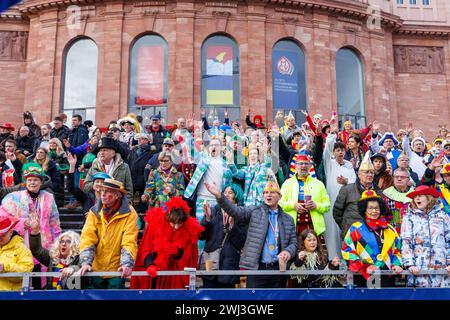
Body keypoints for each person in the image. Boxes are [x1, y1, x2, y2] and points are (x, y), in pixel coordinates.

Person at [204, 180, 297, 289]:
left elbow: (294, 243)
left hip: (278, 269)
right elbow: (235, 211)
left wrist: (288, 251)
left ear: (279, 196)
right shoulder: (254, 211)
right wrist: (219, 196)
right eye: (266, 192)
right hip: (257, 269)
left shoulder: (288, 219)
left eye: (272, 192)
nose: (268, 195)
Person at [130, 196, 203, 289]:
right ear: (168, 217)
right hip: (154, 275)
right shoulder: (155, 224)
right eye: (173, 223)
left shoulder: (189, 230)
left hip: (174, 277)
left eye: (180, 223)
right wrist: (150, 264)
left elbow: (189, 258)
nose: (176, 227)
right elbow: (145, 248)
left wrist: (177, 253)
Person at [79, 178, 138, 289]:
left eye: (107, 191)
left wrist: (126, 264)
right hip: (95, 268)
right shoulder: (94, 212)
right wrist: (86, 262)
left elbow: (129, 241)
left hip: (117, 270)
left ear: (118, 195)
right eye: (102, 191)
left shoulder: (130, 213)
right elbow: (87, 238)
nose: (103, 194)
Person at [342, 190, 403, 287]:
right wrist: (362, 266)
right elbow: (347, 250)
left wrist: (396, 264)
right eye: (370, 208)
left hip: (387, 276)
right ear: (364, 210)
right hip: (364, 276)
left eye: (376, 208)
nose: (374, 211)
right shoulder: (355, 228)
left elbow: (397, 250)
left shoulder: (390, 229)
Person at [401, 185, 450, 287]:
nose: (417, 198)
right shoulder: (409, 217)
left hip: (442, 273)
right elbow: (406, 243)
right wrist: (410, 264)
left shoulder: (443, 216)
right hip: (418, 273)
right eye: (415, 196)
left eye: (420, 195)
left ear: (429, 197)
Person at [199, 183, 247, 288]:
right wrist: (207, 219)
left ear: (237, 195)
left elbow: (241, 243)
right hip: (210, 263)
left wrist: (232, 227)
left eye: (230, 192)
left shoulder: (241, 214)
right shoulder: (213, 210)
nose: (227, 195)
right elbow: (201, 236)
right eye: (224, 193)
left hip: (228, 266)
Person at [322, 129, 357, 258]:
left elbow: (354, 182)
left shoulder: (349, 165)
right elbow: (326, 151)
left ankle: (346, 262)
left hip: (346, 205)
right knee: (331, 234)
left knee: (345, 233)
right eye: (337, 150)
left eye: (342, 150)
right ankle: (333, 262)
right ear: (333, 152)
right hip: (331, 204)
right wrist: (331, 135)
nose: (340, 152)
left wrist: (346, 181)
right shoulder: (329, 163)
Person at [279, 154, 331, 238]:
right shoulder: (287, 183)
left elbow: (327, 205)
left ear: (310, 166)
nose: (303, 166)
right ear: (295, 166)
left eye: (306, 163)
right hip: (293, 228)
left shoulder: (319, 184)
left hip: (313, 228)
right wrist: (293, 205)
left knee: (313, 251)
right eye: (300, 163)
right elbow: (280, 203)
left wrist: (316, 206)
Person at [184, 138, 233, 224]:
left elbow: (229, 184)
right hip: (202, 200)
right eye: (212, 145)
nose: (213, 147)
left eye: (216, 145)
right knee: (201, 229)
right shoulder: (203, 159)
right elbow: (191, 150)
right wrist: (193, 134)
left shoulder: (226, 165)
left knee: (215, 230)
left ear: (221, 148)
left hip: (218, 202)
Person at [334, 152, 381, 239]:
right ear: (359, 174)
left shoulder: (379, 192)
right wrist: (346, 226)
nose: (370, 175)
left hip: (372, 235)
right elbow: (337, 212)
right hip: (351, 234)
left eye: (372, 172)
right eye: (366, 172)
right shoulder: (347, 190)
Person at [29, 216, 80, 290]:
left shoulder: (80, 257)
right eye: (61, 241)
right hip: (51, 295)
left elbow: (82, 266)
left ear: (75, 245)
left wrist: (73, 268)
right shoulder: (53, 258)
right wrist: (35, 232)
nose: (63, 244)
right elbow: (37, 250)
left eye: (68, 241)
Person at [83, 137, 133, 201]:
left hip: (118, 205)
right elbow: (85, 187)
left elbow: (129, 191)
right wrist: (95, 184)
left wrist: (125, 205)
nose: (102, 153)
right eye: (100, 150)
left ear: (113, 153)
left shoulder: (124, 167)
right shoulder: (94, 166)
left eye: (105, 150)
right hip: (98, 205)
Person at [0, 216, 34, 291]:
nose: (0, 238)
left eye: (3, 235)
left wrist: (5, 268)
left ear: (11, 232)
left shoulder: (21, 248)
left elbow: (26, 270)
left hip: (12, 295)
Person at [382, 168, 414, 234]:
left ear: (408, 179)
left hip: (411, 232)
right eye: (396, 177)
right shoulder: (385, 194)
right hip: (391, 233)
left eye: (402, 177)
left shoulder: (415, 195)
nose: (399, 179)